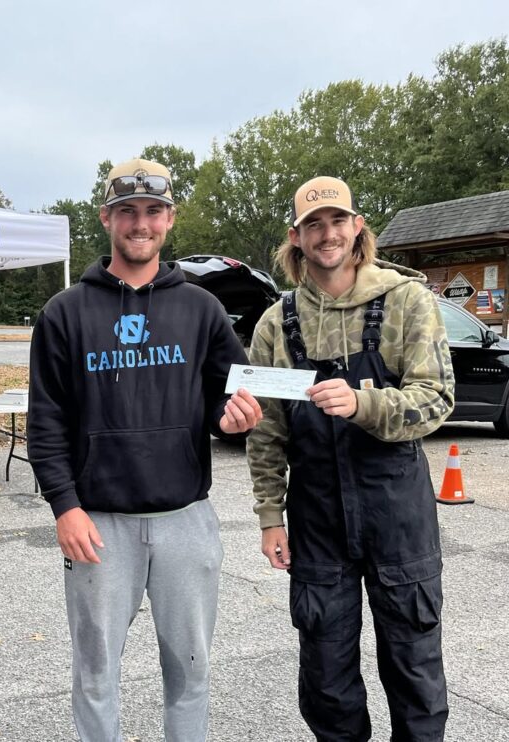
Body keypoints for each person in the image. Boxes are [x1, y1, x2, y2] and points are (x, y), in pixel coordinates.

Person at [27, 158, 262, 742]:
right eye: (128, 211)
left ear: (169, 219)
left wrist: (236, 420)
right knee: (97, 673)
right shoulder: (65, 313)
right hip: (98, 524)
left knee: (190, 669)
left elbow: (227, 398)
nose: (141, 224)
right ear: (107, 218)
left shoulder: (201, 309)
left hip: (186, 519)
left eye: (153, 212)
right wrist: (65, 506)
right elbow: (46, 421)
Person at [246, 176, 455, 741]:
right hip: (317, 522)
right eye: (313, 224)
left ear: (357, 226)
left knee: (414, 672)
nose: (327, 233)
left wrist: (363, 403)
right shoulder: (277, 323)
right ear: (296, 237)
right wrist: (271, 517)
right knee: (327, 679)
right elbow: (267, 431)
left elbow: (436, 399)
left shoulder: (406, 301)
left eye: (337, 221)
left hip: (397, 518)